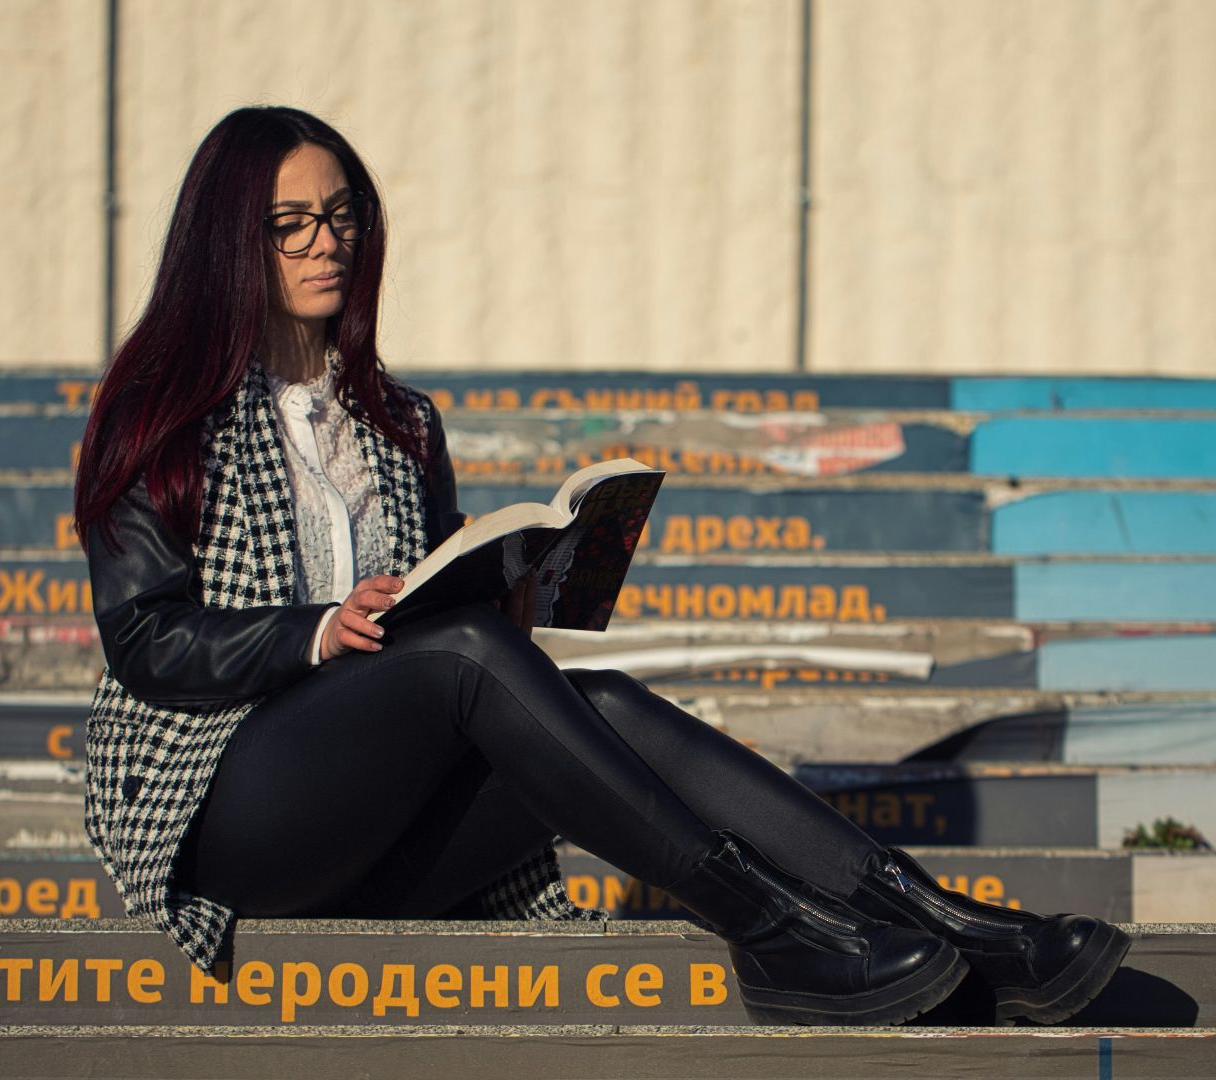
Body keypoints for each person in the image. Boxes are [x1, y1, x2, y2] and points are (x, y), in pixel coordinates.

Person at [74, 105, 1129, 1026]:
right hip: (225, 810)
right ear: (229, 243)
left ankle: (945, 921)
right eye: (290, 224)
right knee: (469, 659)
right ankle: (768, 929)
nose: (326, 242)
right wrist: (315, 629)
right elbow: (144, 640)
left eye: (342, 213)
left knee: (607, 703)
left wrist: (514, 587)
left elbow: (434, 614)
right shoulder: (163, 413)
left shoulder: (399, 420)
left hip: (382, 822)